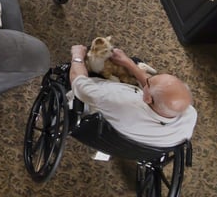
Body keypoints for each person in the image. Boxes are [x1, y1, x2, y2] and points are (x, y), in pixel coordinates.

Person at [69, 44, 197, 148]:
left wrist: (77, 55)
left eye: (148, 83)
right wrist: (128, 63)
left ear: (147, 98)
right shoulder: (190, 115)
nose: (147, 79)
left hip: (99, 115)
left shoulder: (119, 100)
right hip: (142, 147)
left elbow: (79, 83)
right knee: (135, 65)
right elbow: (156, 89)